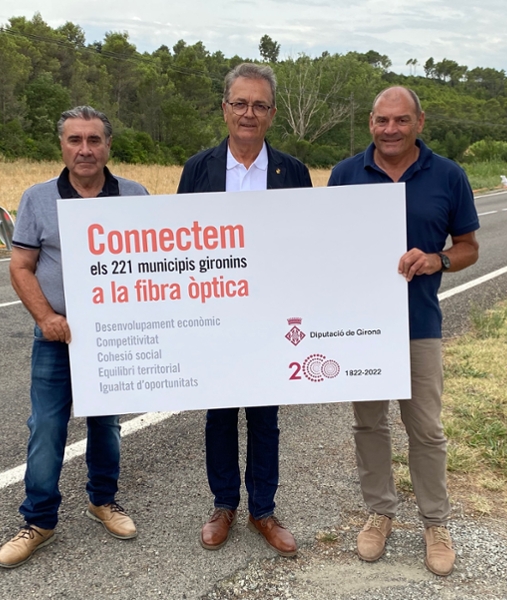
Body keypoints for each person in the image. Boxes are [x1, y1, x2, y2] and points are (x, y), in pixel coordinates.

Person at [327, 86, 479, 577]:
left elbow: (470, 246)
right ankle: (380, 512)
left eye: (400, 120)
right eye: (381, 120)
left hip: (418, 325)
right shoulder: (345, 175)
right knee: (368, 424)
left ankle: (435, 522)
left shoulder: (448, 175)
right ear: (370, 122)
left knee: (426, 430)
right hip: (360, 327)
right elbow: (323, 244)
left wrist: (438, 259)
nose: (390, 129)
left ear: (419, 122)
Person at [0, 105, 149, 568]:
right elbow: (20, 267)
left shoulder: (134, 195)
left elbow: (156, 265)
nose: (85, 149)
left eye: (94, 140)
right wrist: (46, 317)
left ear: (108, 146)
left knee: (107, 423)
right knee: (46, 427)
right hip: (57, 334)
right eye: (75, 140)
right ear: (62, 145)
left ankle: (104, 501)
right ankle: (39, 520)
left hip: (112, 335)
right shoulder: (38, 199)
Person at [177, 63, 312, 558]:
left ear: (272, 113)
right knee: (219, 414)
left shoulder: (293, 171)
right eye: (240, 103)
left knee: (265, 416)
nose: (248, 113)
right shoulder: (199, 168)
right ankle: (222, 505)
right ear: (225, 109)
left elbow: (306, 243)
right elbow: (180, 245)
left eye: (259, 105)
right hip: (217, 315)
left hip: (271, 317)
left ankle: (264, 510)